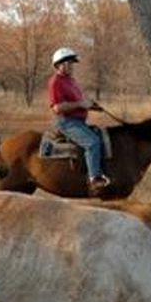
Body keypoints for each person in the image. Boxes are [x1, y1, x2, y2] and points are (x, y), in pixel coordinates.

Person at [48, 47, 109, 193]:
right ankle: (94, 178)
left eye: (72, 63)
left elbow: (80, 101)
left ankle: (100, 171)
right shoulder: (55, 82)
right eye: (68, 63)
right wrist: (80, 104)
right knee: (92, 142)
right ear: (58, 65)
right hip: (67, 122)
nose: (71, 66)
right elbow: (57, 108)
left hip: (79, 121)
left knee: (101, 136)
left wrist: (92, 106)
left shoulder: (71, 81)